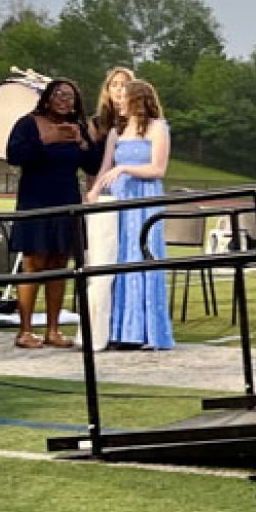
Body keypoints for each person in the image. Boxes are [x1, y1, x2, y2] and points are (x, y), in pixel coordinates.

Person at [6, 77, 102, 349]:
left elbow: (92, 165)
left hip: (66, 201)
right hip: (35, 201)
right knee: (34, 264)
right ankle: (25, 331)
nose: (63, 100)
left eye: (69, 96)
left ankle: (53, 330)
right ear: (47, 98)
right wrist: (46, 139)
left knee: (59, 264)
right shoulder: (28, 123)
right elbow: (14, 155)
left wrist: (83, 143)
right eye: (58, 94)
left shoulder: (77, 128)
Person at [87, 78, 174, 349]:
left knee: (142, 255)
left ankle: (146, 332)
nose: (120, 102)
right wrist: (95, 190)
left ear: (137, 100)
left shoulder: (157, 128)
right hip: (120, 201)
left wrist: (125, 168)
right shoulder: (117, 132)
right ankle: (121, 330)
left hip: (144, 200)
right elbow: (105, 166)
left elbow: (158, 169)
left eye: (124, 97)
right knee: (119, 257)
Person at [91, 66, 134, 146]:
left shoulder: (138, 119)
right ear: (108, 90)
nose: (119, 88)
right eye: (114, 85)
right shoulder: (96, 123)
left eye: (124, 84)